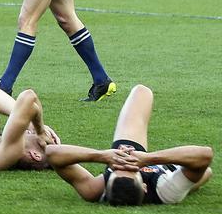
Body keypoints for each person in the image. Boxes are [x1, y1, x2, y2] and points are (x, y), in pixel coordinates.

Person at [46, 85, 213, 206]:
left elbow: (52, 153)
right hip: (169, 170)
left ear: (106, 183)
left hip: (134, 159)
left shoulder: (94, 190)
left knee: (141, 92)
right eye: (131, 168)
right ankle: (184, 175)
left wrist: (104, 156)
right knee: (205, 172)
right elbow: (205, 155)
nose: (126, 162)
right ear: (145, 187)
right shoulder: (166, 191)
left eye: (116, 166)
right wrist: (148, 159)